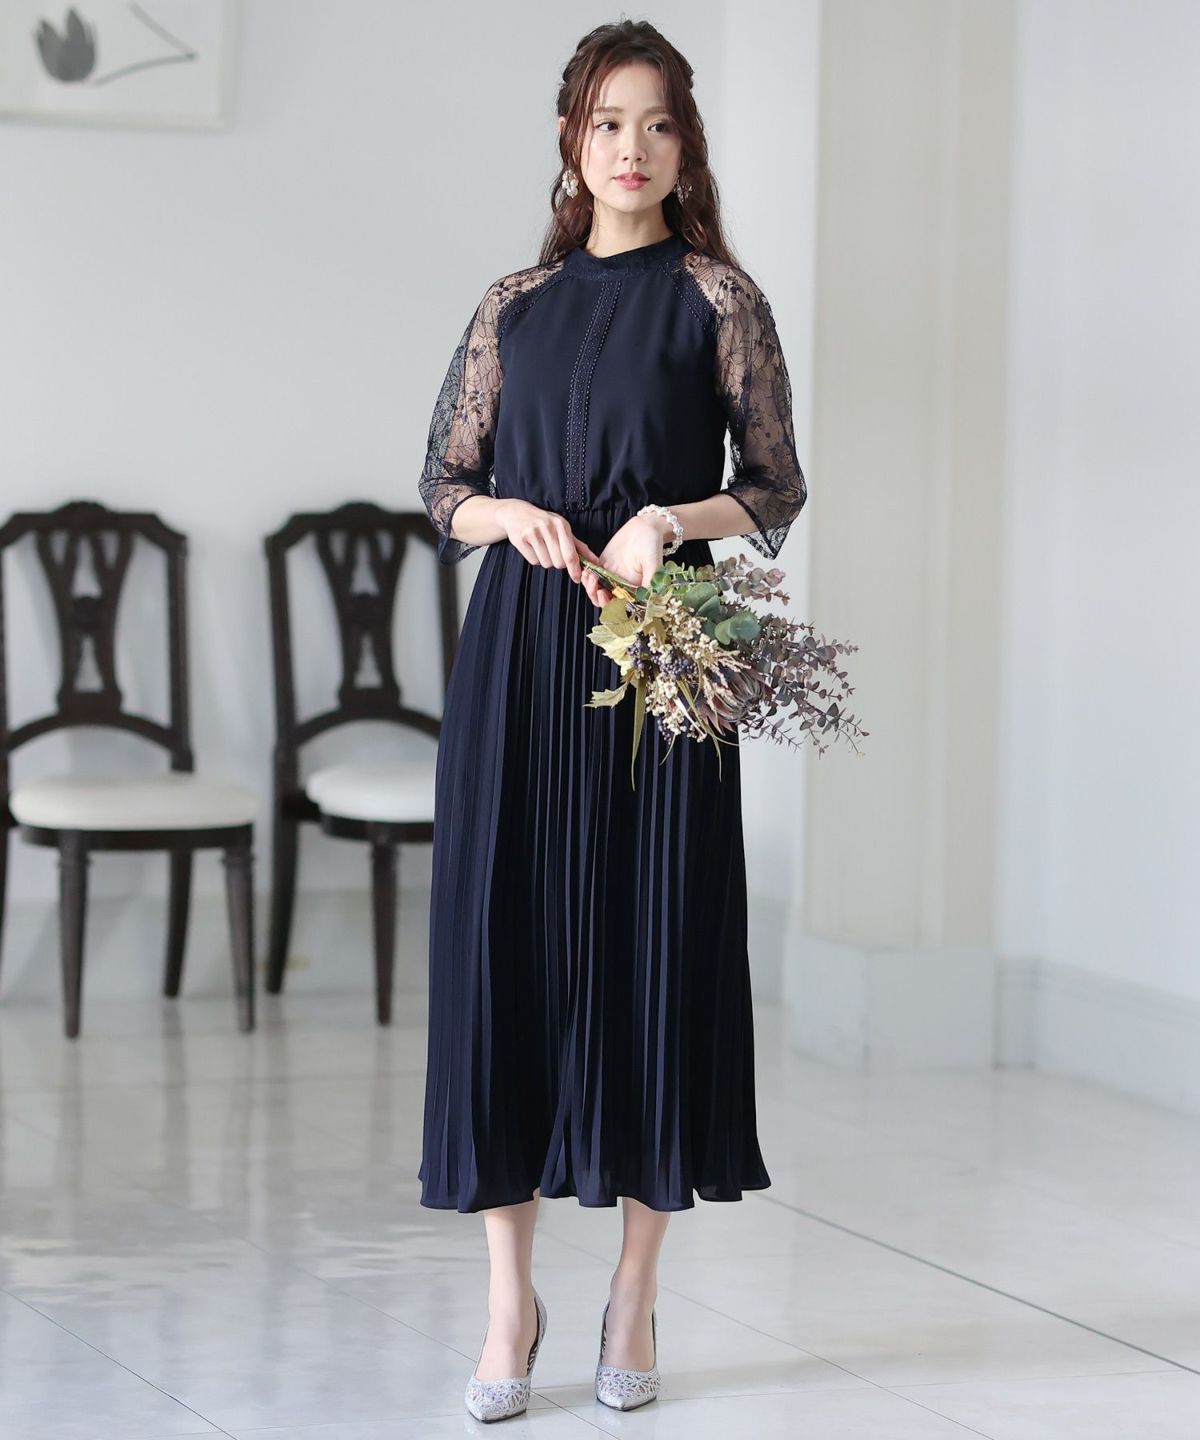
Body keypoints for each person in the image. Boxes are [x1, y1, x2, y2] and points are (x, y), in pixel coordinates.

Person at [416, 18, 807, 1424]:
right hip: (521, 655)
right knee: (503, 948)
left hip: (662, 653)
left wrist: (668, 521)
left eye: (656, 123)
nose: (630, 148)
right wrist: (508, 516)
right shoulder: (511, 302)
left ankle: (634, 1290)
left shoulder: (718, 299)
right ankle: (508, 1302)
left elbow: (776, 484)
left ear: (684, 145)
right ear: (571, 142)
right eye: (606, 122)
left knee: (657, 950)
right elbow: (443, 482)